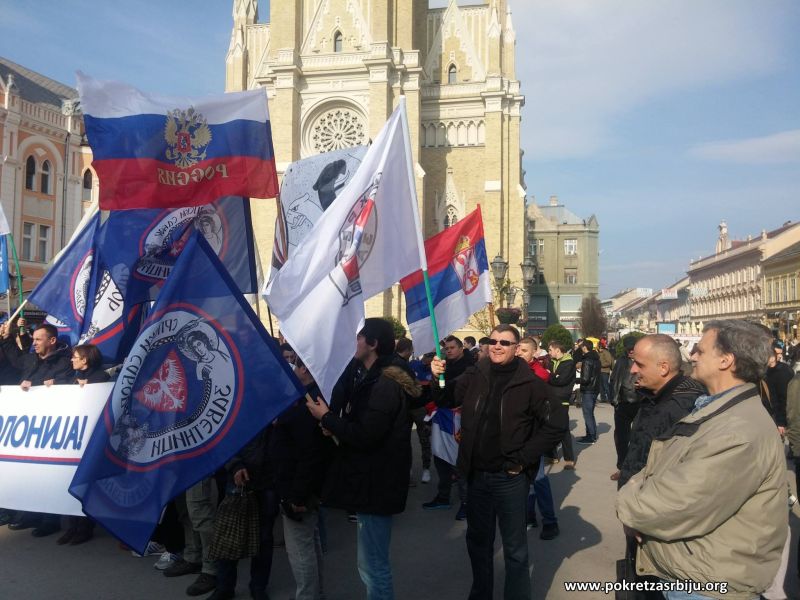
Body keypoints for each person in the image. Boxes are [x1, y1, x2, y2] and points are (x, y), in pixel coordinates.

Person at [617, 320, 787, 599]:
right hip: (696, 572)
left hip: (708, 583)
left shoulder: (737, 428)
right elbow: (659, 467)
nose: (692, 356)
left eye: (700, 350)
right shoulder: (714, 409)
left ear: (726, 360)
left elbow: (679, 500)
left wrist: (627, 505)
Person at [431, 324, 567, 600]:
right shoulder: (476, 373)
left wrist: (524, 458)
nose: (497, 346)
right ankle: (481, 594)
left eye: (505, 342)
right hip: (476, 475)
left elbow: (556, 424)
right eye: (493, 341)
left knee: (515, 549)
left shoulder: (530, 383)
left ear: (517, 349)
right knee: (478, 543)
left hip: (510, 477)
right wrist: (439, 378)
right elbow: (446, 398)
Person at [307, 318, 420, 600]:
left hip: (377, 482)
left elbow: (366, 434)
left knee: (373, 567)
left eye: (358, 338)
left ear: (373, 344)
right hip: (371, 480)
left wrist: (327, 418)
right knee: (370, 564)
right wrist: (331, 422)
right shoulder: (369, 374)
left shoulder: (384, 385)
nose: (353, 343)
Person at [615, 335, 705, 594]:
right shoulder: (660, 397)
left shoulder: (679, 406)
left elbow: (678, 476)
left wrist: (639, 516)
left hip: (654, 529)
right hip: (642, 517)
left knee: (650, 588)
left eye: (639, 365)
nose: (632, 370)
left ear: (663, 367)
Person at [1, 323, 73, 536]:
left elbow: (67, 382)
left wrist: (38, 385)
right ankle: (31, 514)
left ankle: (50, 519)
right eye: (33, 340)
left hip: (50, 429)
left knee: (48, 474)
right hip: (29, 428)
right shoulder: (31, 359)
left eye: (38, 340)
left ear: (52, 341)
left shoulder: (64, 361)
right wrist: (7, 337)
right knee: (29, 472)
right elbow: (15, 359)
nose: (34, 343)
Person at [272, 358, 327, 600]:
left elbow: (310, 454)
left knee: (301, 552)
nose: (293, 370)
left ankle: (308, 596)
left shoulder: (308, 404)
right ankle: (317, 594)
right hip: (300, 486)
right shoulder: (306, 398)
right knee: (310, 545)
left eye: (295, 365)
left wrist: (297, 494)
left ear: (305, 368)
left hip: (299, 490)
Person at [56, 344, 110, 546]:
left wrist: (87, 387)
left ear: (85, 359)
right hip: (72, 439)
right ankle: (72, 527)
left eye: (75, 357)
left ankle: (85, 528)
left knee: (85, 484)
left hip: (88, 440)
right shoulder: (72, 378)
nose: (72, 360)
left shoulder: (101, 378)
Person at [423, 335, 473, 518]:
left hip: (460, 419)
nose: (449, 350)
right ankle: (443, 496)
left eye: (453, 347)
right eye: (447, 348)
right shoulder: (445, 365)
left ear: (461, 348)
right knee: (441, 459)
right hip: (443, 416)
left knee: (460, 462)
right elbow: (437, 394)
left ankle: (467, 502)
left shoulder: (470, 367)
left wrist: (438, 380)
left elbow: (456, 388)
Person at [517, 337, 562, 540]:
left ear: (534, 353)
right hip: (515, 436)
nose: (519, 353)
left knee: (539, 480)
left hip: (533, 437)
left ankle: (550, 521)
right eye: (518, 349)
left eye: (524, 350)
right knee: (522, 480)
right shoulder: (514, 371)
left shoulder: (539, 375)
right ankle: (528, 515)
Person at [609, 336, 640, 481]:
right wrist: (614, 400)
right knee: (621, 438)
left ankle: (636, 468)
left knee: (639, 437)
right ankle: (622, 468)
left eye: (633, 349)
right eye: (628, 349)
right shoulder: (621, 361)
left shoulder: (645, 361)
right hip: (623, 404)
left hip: (641, 403)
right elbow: (614, 380)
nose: (631, 352)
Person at [547, 340, 577, 470]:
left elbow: (561, 380)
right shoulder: (551, 362)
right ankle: (552, 455)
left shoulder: (569, 363)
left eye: (550, 350)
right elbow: (550, 377)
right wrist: (553, 376)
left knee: (563, 429)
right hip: (550, 398)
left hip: (562, 399)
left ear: (557, 350)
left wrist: (551, 376)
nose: (548, 353)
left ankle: (569, 459)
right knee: (550, 428)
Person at [765, 341, 793, 436]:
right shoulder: (767, 370)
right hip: (772, 413)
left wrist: (781, 421)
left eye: (781, 353)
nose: (780, 356)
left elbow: (784, 398)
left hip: (782, 417)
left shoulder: (783, 372)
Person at [576, 339, 601, 444]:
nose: (581, 349)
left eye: (582, 347)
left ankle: (591, 436)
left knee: (587, 414)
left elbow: (585, 379)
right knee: (590, 413)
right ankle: (591, 434)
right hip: (594, 389)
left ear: (585, 348)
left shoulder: (587, 360)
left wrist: (575, 380)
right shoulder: (596, 359)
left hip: (588, 390)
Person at [597, 338, 614, 403]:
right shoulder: (599, 353)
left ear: (600, 346)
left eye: (598, 346)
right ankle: (603, 398)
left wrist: (600, 364)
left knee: (605, 385)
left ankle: (610, 398)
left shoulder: (606, 352)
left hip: (605, 371)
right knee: (601, 386)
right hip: (600, 371)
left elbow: (608, 362)